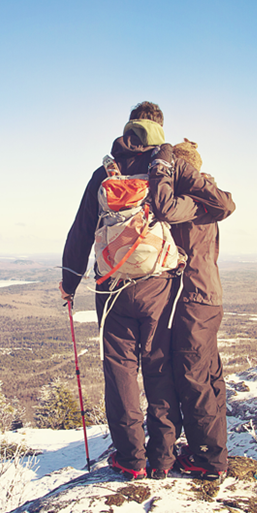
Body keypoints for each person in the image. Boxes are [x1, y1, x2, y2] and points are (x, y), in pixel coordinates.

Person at [60, 101, 191, 480]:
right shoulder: (165, 172)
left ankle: (130, 459)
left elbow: (81, 232)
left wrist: (69, 284)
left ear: (127, 130)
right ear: (160, 131)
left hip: (112, 287)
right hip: (158, 285)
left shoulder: (104, 173)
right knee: (159, 366)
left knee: (119, 369)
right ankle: (163, 457)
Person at [148, 138, 236, 481]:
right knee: (210, 379)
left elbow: (164, 207)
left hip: (192, 300)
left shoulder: (190, 203)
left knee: (193, 379)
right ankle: (212, 452)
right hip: (210, 298)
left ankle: (208, 460)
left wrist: (163, 167)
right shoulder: (208, 199)